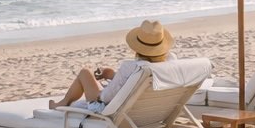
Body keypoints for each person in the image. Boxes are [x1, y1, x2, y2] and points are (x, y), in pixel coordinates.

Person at [48, 19, 176, 112]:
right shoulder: (169, 64)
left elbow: (105, 97)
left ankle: (63, 103)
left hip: (110, 108)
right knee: (94, 81)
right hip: (150, 110)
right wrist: (113, 75)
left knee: (85, 73)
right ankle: (65, 102)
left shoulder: (130, 67)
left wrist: (98, 90)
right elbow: (137, 81)